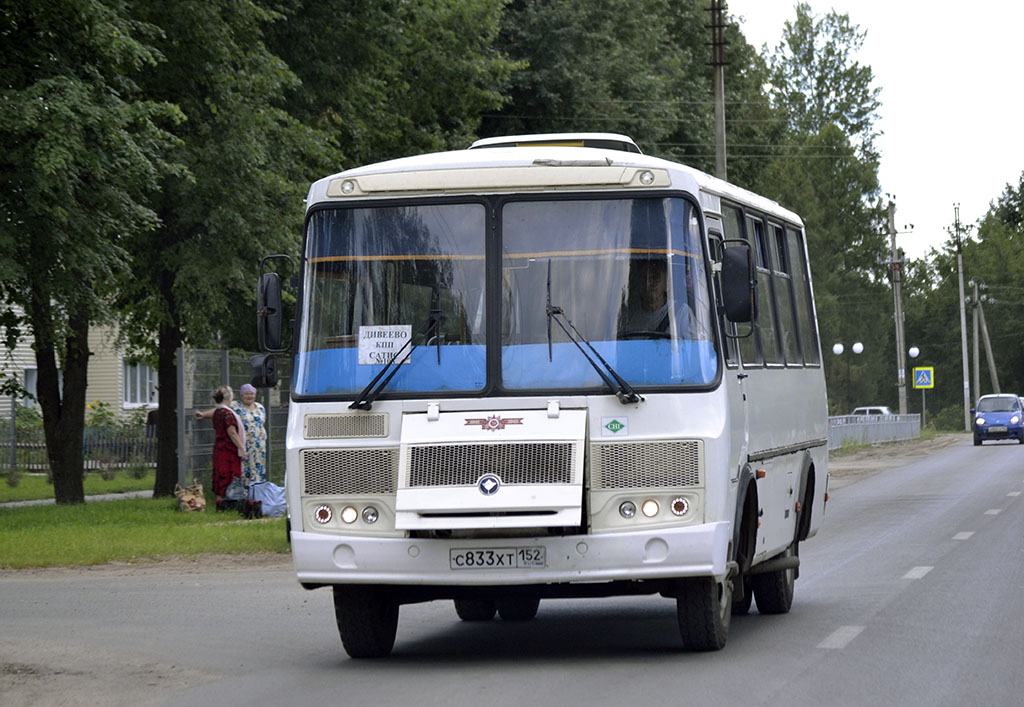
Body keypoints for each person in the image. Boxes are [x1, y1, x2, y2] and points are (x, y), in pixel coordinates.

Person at [195, 385, 246, 497]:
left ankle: (221, 498)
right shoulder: (227, 413)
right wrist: (242, 448)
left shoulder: (219, 411)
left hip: (219, 448)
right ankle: (231, 498)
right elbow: (232, 431)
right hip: (229, 450)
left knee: (220, 472)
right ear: (229, 398)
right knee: (230, 474)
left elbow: (214, 411)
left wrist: (203, 415)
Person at [232, 383, 268, 484]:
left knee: (258, 472)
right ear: (242, 395)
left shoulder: (260, 407)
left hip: (258, 448)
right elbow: (222, 411)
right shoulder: (235, 406)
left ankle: (257, 495)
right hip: (243, 446)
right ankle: (244, 496)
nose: (249, 396)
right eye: (246, 394)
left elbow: (261, 424)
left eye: (251, 394)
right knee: (244, 472)